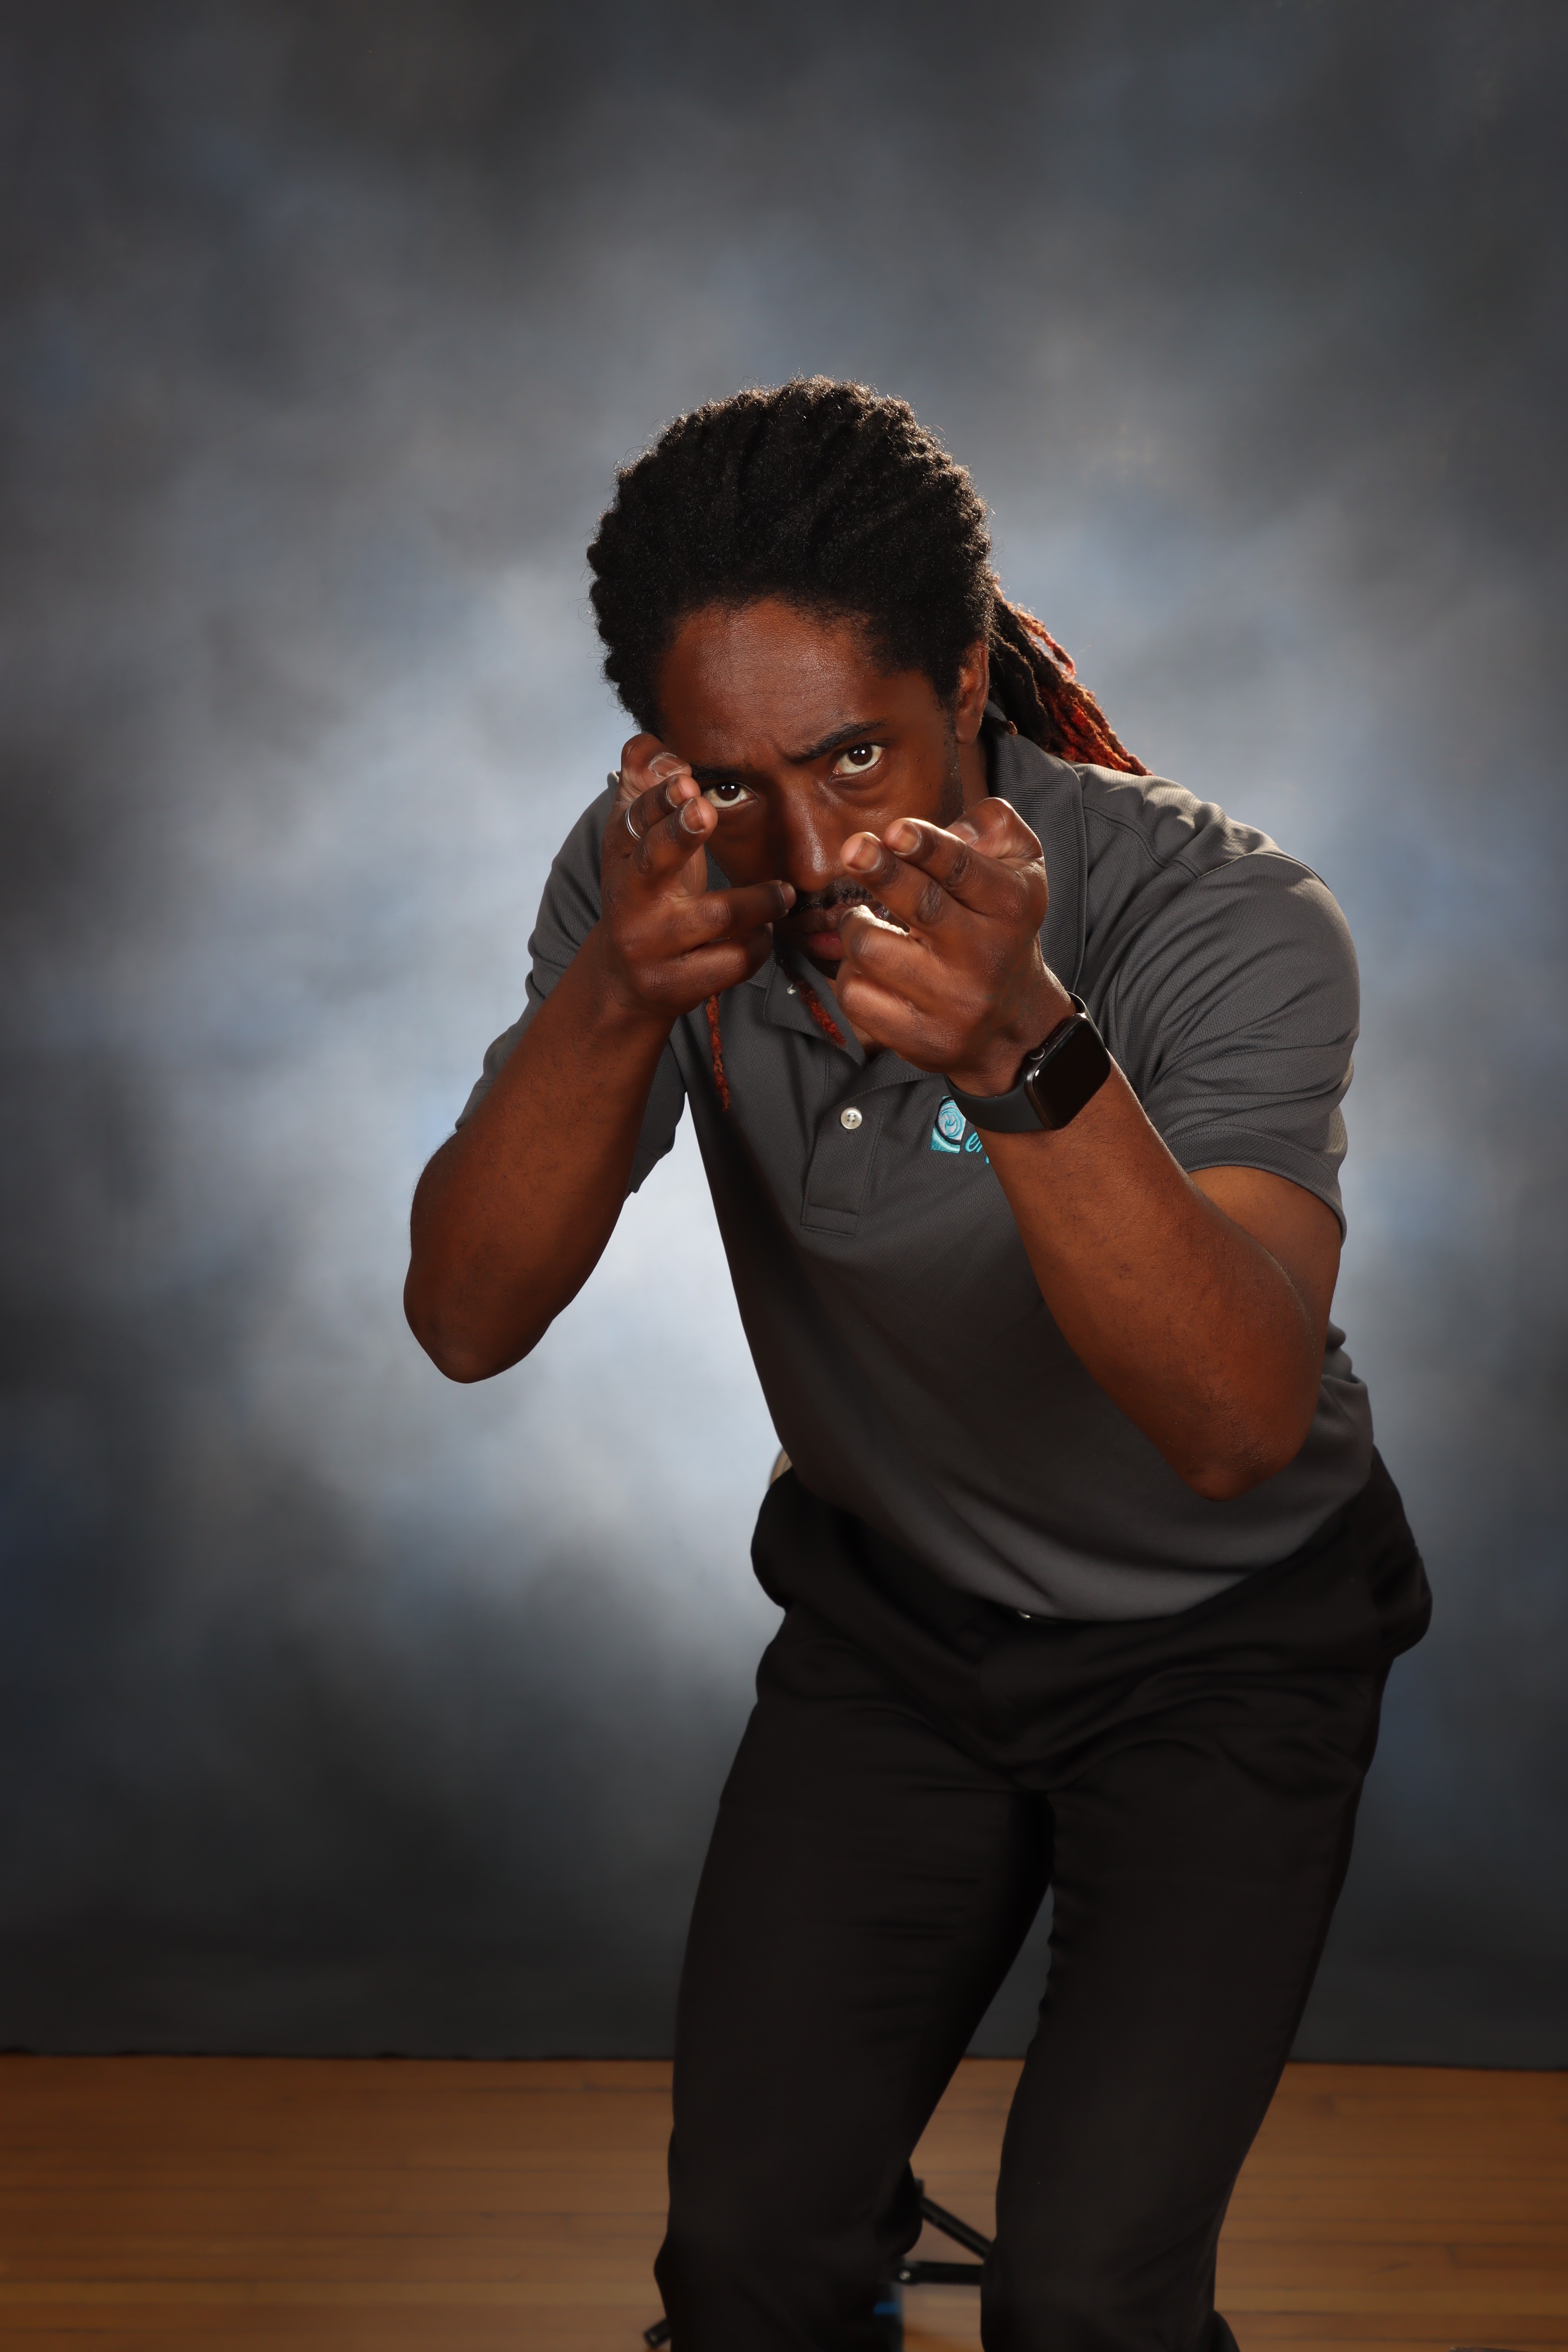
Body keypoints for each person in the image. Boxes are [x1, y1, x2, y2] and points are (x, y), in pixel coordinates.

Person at [404, 379, 1430, 2352]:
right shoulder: (656, 881)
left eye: (854, 755)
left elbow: (1234, 1424)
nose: (805, 849)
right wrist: (618, 990)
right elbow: (465, 1320)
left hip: (1224, 1647)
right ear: (655, 758)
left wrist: (1021, 1056)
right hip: (899, 1631)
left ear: (963, 681)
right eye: (729, 777)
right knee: (746, 2271)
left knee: (1085, 2299)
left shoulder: (1220, 915)